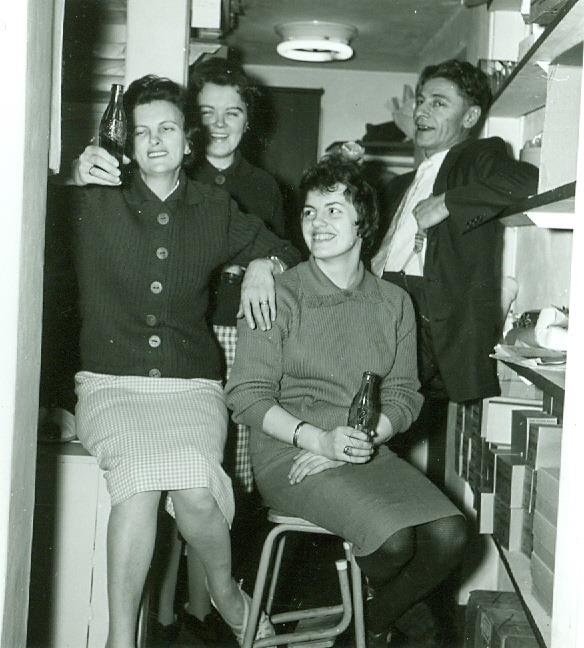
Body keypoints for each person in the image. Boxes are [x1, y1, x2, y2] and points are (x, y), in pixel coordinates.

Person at [69, 74, 300, 648]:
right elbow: (25, 212)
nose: (154, 141)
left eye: (167, 128)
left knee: (197, 488)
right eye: (141, 131)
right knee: (140, 485)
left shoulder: (213, 206)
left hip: (191, 385)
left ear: (188, 139)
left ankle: (224, 591)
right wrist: (69, 176)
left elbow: (285, 250)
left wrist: (263, 266)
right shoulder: (93, 199)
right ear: (127, 142)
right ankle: (120, 639)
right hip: (111, 385)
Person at [225, 156, 467, 648]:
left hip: (362, 447)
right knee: (394, 542)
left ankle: (370, 621)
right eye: (309, 212)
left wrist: (362, 440)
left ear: (363, 223)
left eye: (333, 210)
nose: (317, 222)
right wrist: (319, 441)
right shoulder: (279, 294)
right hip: (291, 453)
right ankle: (370, 628)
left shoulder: (393, 302)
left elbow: (404, 394)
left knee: (450, 535)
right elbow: (246, 395)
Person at [371, 58, 539, 404]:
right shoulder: (403, 183)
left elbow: (528, 179)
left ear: (470, 117)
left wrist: (447, 202)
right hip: (380, 302)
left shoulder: (478, 156)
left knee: (373, 404)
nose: (421, 111)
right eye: (421, 101)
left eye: (438, 103)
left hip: (426, 316)